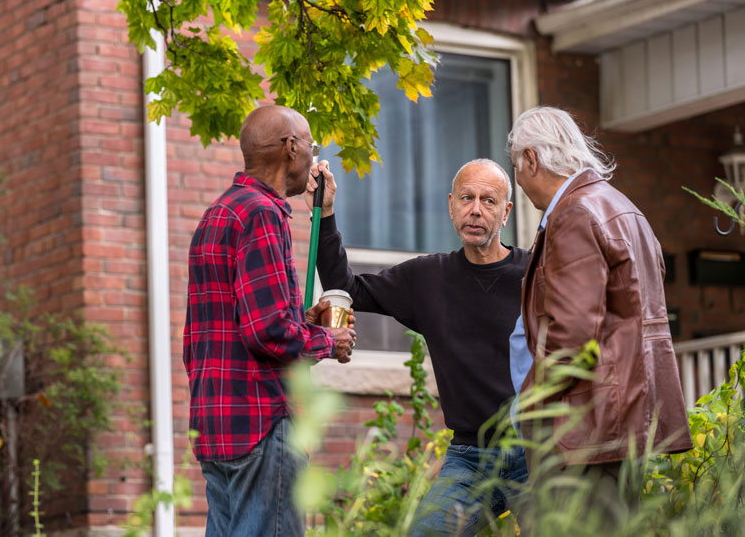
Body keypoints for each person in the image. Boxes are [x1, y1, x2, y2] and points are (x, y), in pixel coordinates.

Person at [307, 157, 530, 536]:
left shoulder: (534, 275)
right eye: (466, 198)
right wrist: (325, 213)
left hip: (536, 452)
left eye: (488, 201)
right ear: (450, 205)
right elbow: (348, 287)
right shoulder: (428, 278)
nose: (475, 210)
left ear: (506, 212)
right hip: (471, 457)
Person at [507, 106, 692, 518]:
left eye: (517, 170)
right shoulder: (624, 208)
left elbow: (572, 335)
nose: (521, 185)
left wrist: (533, 403)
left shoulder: (573, 213)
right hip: (623, 421)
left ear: (532, 160)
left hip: (586, 429)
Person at [183, 104, 356, 537]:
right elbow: (268, 333)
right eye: (311, 146)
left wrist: (305, 320)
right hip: (261, 420)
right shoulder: (263, 213)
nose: (313, 158)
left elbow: (243, 320)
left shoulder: (219, 213)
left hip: (218, 424)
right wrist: (326, 341)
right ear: (290, 147)